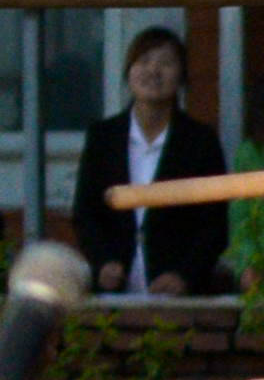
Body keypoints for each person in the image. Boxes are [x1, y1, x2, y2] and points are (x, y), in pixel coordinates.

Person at [66, 24, 233, 297]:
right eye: (143, 61)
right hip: (113, 293)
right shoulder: (103, 137)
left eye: (165, 63)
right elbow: (86, 212)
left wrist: (184, 275)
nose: (153, 71)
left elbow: (214, 224)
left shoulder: (200, 141)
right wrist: (103, 261)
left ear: (181, 76)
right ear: (128, 71)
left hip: (180, 298)